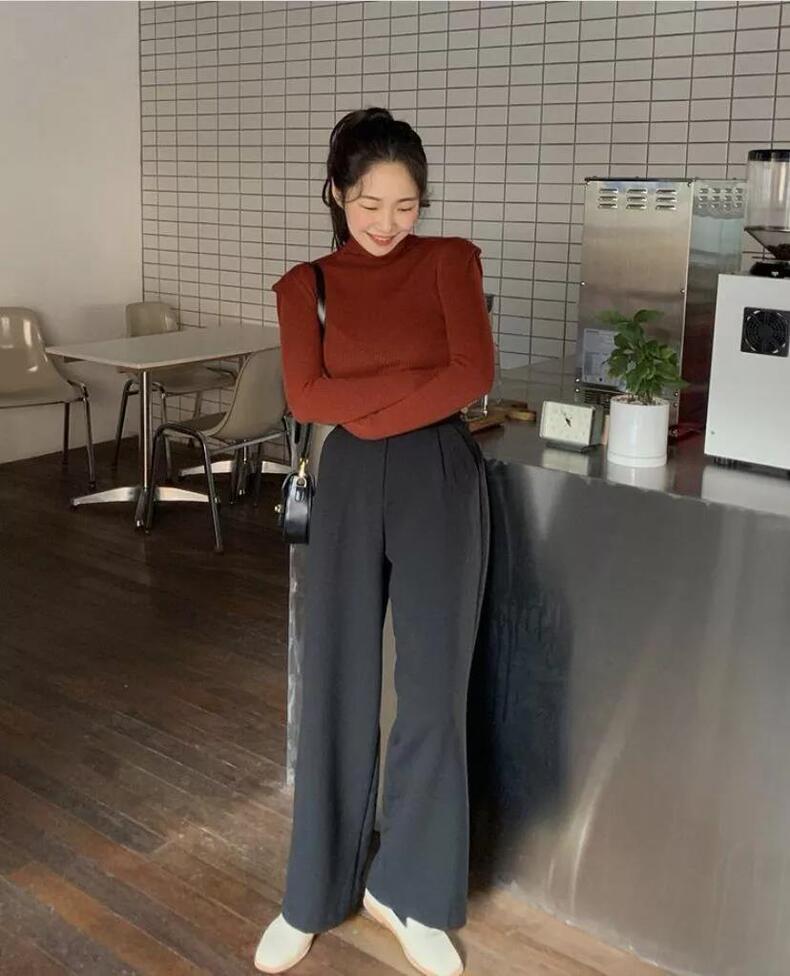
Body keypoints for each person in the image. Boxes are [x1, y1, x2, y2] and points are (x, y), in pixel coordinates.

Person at [254, 107, 493, 976]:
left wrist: (373, 408)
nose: (389, 223)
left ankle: (410, 892)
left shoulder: (451, 261)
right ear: (336, 194)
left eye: (406, 205)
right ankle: (311, 894)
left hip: (439, 480)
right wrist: (411, 392)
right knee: (337, 682)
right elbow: (306, 396)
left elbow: (474, 374)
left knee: (433, 692)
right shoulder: (304, 285)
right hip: (351, 482)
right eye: (369, 204)